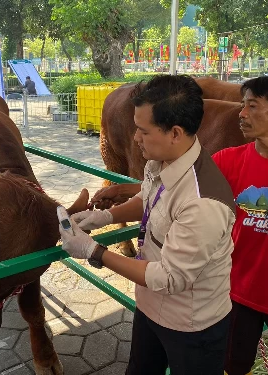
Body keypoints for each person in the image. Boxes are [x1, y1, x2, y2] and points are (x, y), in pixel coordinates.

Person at [89, 76, 268, 375]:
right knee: (231, 367)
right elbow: (180, 184)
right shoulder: (228, 160)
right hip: (236, 292)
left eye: (252, 106)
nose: (241, 113)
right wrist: (121, 195)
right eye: (242, 106)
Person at [59, 75, 236, 375]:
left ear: (175, 133)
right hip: (150, 305)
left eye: (142, 131)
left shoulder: (202, 202)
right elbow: (150, 197)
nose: (135, 139)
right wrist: (107, 217)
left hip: (191, 325)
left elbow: (169, 277)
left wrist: (93, 251)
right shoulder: (162, 160)